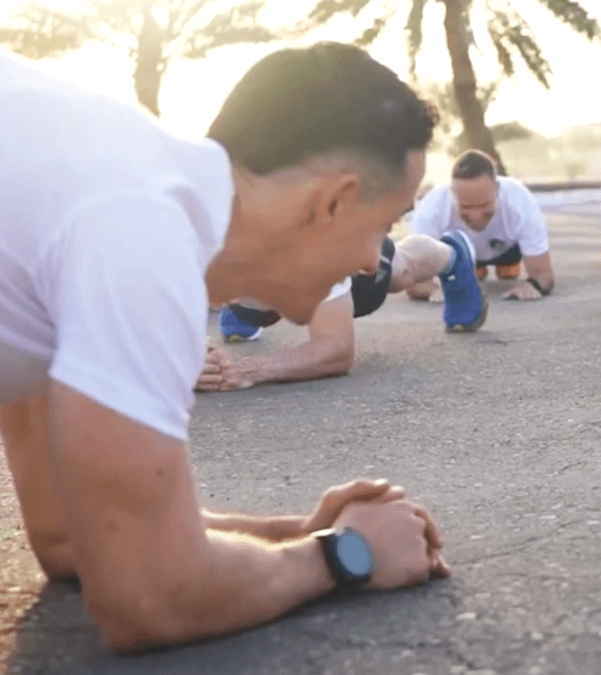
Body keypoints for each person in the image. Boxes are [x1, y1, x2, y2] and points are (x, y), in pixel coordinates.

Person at [0, 44, 455, 652]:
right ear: (333, 201)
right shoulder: (145, 232)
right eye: (387, 223)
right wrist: (348, 554)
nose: (375, 261)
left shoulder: (106, 176)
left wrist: (300, 532)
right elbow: (145, 595)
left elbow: (67, 535)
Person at [201, 229, 486, 391]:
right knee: (244, 310)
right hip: (261, 283)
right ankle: (247, 311)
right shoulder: (177, 244)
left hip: (337, 257)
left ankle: (452, 254)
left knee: (400, 274)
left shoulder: (309, 246)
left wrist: (247, 369)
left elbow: (335, 350)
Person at [406, 149, 555, 302]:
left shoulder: (521, 200)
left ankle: (505, 265)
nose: (475, 216)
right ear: (452, 193)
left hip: (507, 248)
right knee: (466, 272)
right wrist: (435, 290)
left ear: (498, 189)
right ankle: (472, 267)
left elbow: (543, 275)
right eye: (466, 207)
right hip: (458, 251)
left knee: (508, 274)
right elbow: (414, 282)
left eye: (484, 205)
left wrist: (534, 285)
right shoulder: (431, 209)